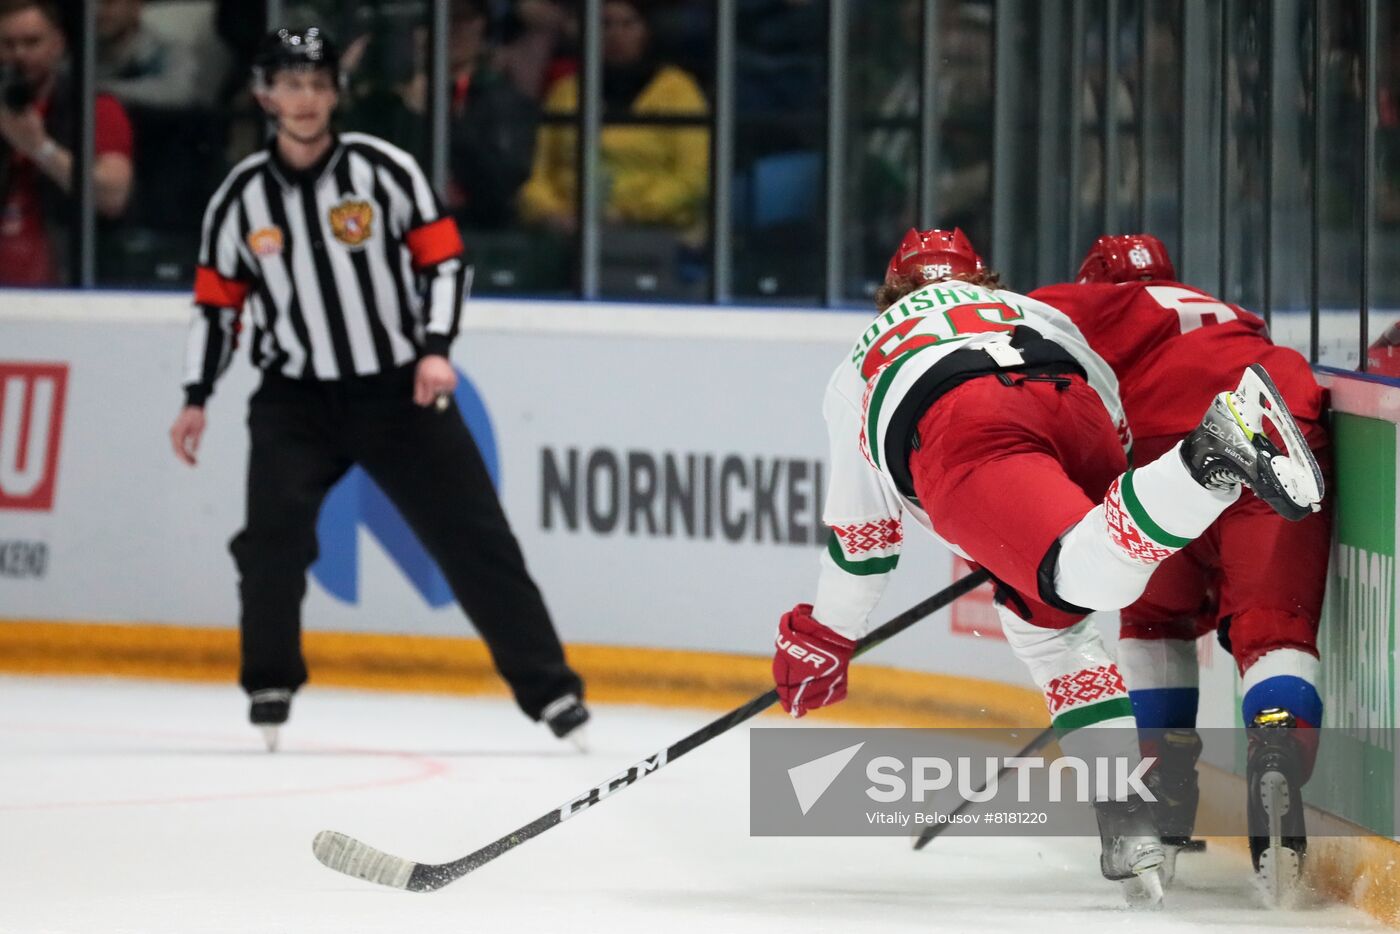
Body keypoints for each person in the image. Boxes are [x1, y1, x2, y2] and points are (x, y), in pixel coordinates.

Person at [768, 228, 1324, 903]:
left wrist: (828, 636)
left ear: (892, 293)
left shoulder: (865, 353)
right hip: (1069, 402)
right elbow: (1108, 414)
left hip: (960, 422)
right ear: (983, 279)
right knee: (1049, 620)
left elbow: (866, 542)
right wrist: (1053, 531)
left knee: (1081, 576)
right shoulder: (1032, 310)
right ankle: (1127, 816)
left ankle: (1208, 455)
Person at [167, 26, 589, 752]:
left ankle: (551, 692)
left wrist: (434, 350)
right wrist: (198, 393)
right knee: (271, 541)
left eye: (319, 84)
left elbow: (446, 264)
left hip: (400, 392)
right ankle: (270, 683)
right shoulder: (239, 199)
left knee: (475, 540)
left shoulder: (383, 171)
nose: (306, 99)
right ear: (266, 94)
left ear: (337, 93)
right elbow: (218, 306)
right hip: (294, 397)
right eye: (291, 84)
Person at [1029, 234, 1331, 893]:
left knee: (1154, 616)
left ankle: (1163, 782)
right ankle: (1275, 744)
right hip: (1274, 428)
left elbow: (980, 320)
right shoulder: (1216, 310)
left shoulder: (1089, 304)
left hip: (1166, 454)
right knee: (1273, 625)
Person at [518, 0, 707, 233]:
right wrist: (551, 214)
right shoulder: (565, 92)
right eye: (605, 24)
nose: (616, 34)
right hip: (569, 233)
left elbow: (693, 179)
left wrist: (629, 213)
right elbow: (538, 176)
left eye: (628, 24)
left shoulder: (679, 92)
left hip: (658, 235)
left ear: (647, 31)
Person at [0, 0, 132, 285]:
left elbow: (112, 196)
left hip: (66, 284)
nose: (18, 55)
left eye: (31, 42)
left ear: (58, 44)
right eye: (7, 44)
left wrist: (40, 148)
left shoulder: (93, 107)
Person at [95, 0, 207, 108]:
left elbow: (179, 91)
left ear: (135, 7)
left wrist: (103, 89)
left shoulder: (165, 50)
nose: (98, 10)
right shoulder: (86, 53)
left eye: (108, 2)